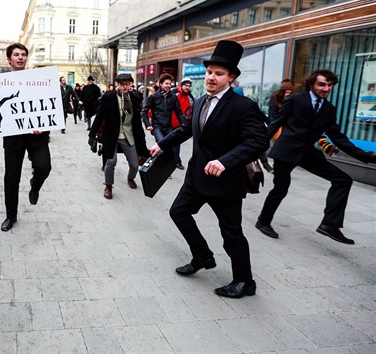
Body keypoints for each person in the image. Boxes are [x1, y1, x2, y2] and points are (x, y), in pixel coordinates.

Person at [149, 40, 268, 298]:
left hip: (225, 182)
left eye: (219, 73)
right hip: (196, 176)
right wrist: (162, 145)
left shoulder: (243, 107)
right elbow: (185, 129)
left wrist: (225, 161)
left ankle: (245, 281)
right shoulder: (202, 99)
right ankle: (202, 255)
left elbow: (258, 142)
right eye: (209, 72)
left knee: (231, 233)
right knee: (178, 212)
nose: (211, 77)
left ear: (231, 78)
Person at [256, 69, 376, 245]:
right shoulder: (295, 100)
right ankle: (263, 221)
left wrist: (369, 156)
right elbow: (275, 124)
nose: (326, 88)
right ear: (311, 84)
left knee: (343, 180)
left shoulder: (329, 109)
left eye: (329, 85)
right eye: (321, 84)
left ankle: (329, 225)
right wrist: (256, 148)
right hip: (286, 150)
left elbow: (339, 138)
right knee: (281, 189)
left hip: (307, 152)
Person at [0, 43, 52, 232]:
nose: (21, 57)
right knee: (11, 178)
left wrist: (44, 126)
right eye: (16, 54)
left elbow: (49, 106)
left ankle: (35, 185)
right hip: (13, 137)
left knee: (44, 167)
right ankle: (11, 215)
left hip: (36, 135)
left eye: (23, 54)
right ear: (9, 59)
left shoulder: (39, 79)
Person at [89, 73, 150, 200]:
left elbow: (137, 122)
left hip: (128, 135)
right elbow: (99, 116)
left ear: (130, 84)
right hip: (111, 136)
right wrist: (92, 134)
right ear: (117, 84)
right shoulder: (108, 98)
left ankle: (130, 178)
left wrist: (142, 141)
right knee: (111, 161)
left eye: (127, 84)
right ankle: (108, 186)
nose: (125, 87)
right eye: (122, 85)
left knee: (134, 164)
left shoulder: (134, 98)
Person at [141, 73, 185, 169]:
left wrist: (183, 125)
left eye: (170, 84)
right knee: (162, 144)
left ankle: (167, 165)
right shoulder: (154, 96)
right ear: (160, 84)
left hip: (168, 126)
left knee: (171, 144)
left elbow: (179, 112)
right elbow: (144, 111)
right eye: (166, 83)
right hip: (157, 126)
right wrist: (147, 124)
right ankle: (158, 165)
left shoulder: (173, 97)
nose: (169, 85)